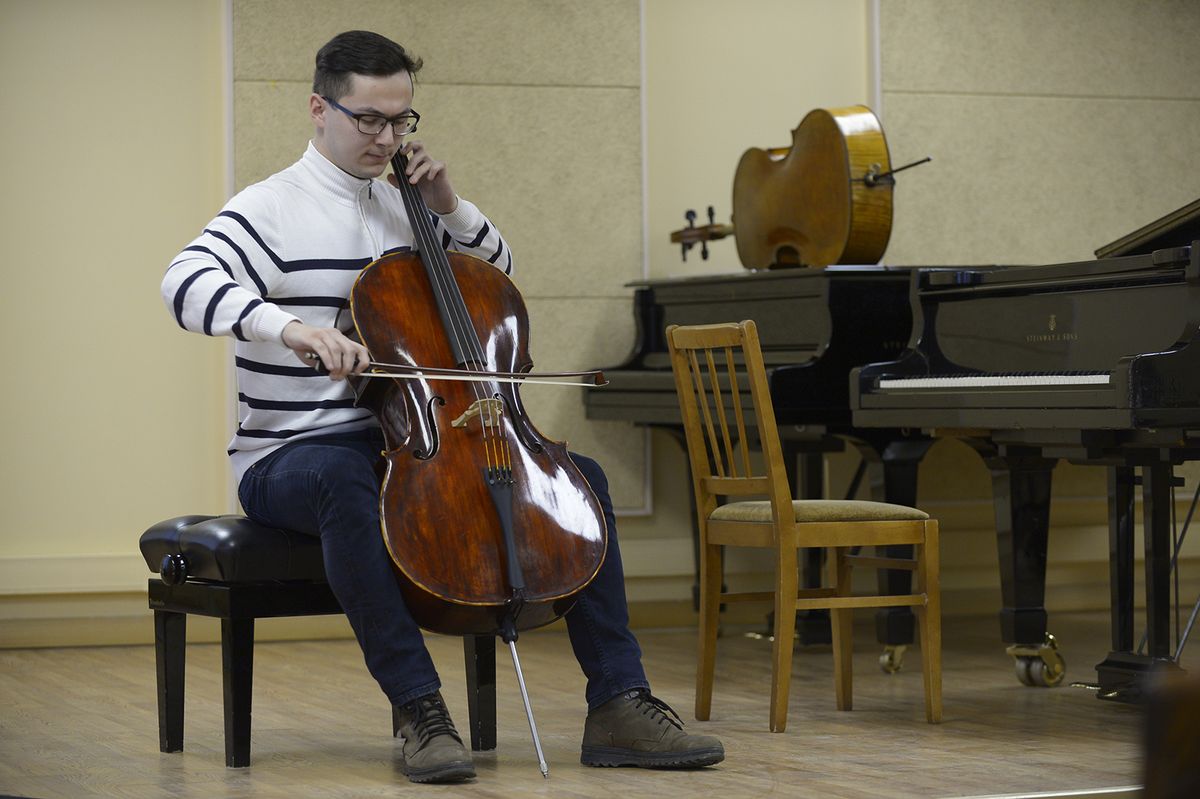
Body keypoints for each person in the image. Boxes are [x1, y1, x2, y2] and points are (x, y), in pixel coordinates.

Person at [161, 30, 723, 784]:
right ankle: (419, 707)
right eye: (369, 119)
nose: (386, 137)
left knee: (580, 478)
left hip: (417, 439)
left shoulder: (411, 207)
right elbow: (184, 282)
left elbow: (496, 281)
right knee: (342, 478)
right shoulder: (270, 208)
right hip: (291, 453)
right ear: (319, 109)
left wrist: (448, 206)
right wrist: (291, 328)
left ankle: (620, 700)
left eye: (401, 120)